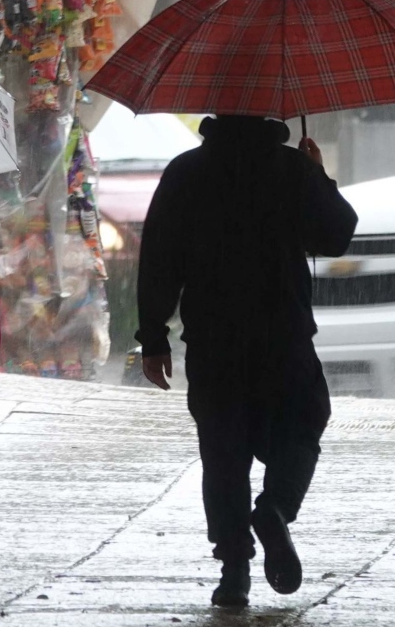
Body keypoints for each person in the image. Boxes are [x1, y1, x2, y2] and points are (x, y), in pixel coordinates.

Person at [135, 116, 357, 607]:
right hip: (285, 333)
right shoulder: (291, 169)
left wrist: (152, 337)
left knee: (224, 454)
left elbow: (159, 259)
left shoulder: (186, 172)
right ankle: (275, 506)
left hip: (214, 339)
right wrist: (318, 175)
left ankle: (234, 569)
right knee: (303, 421)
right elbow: (337, 235)